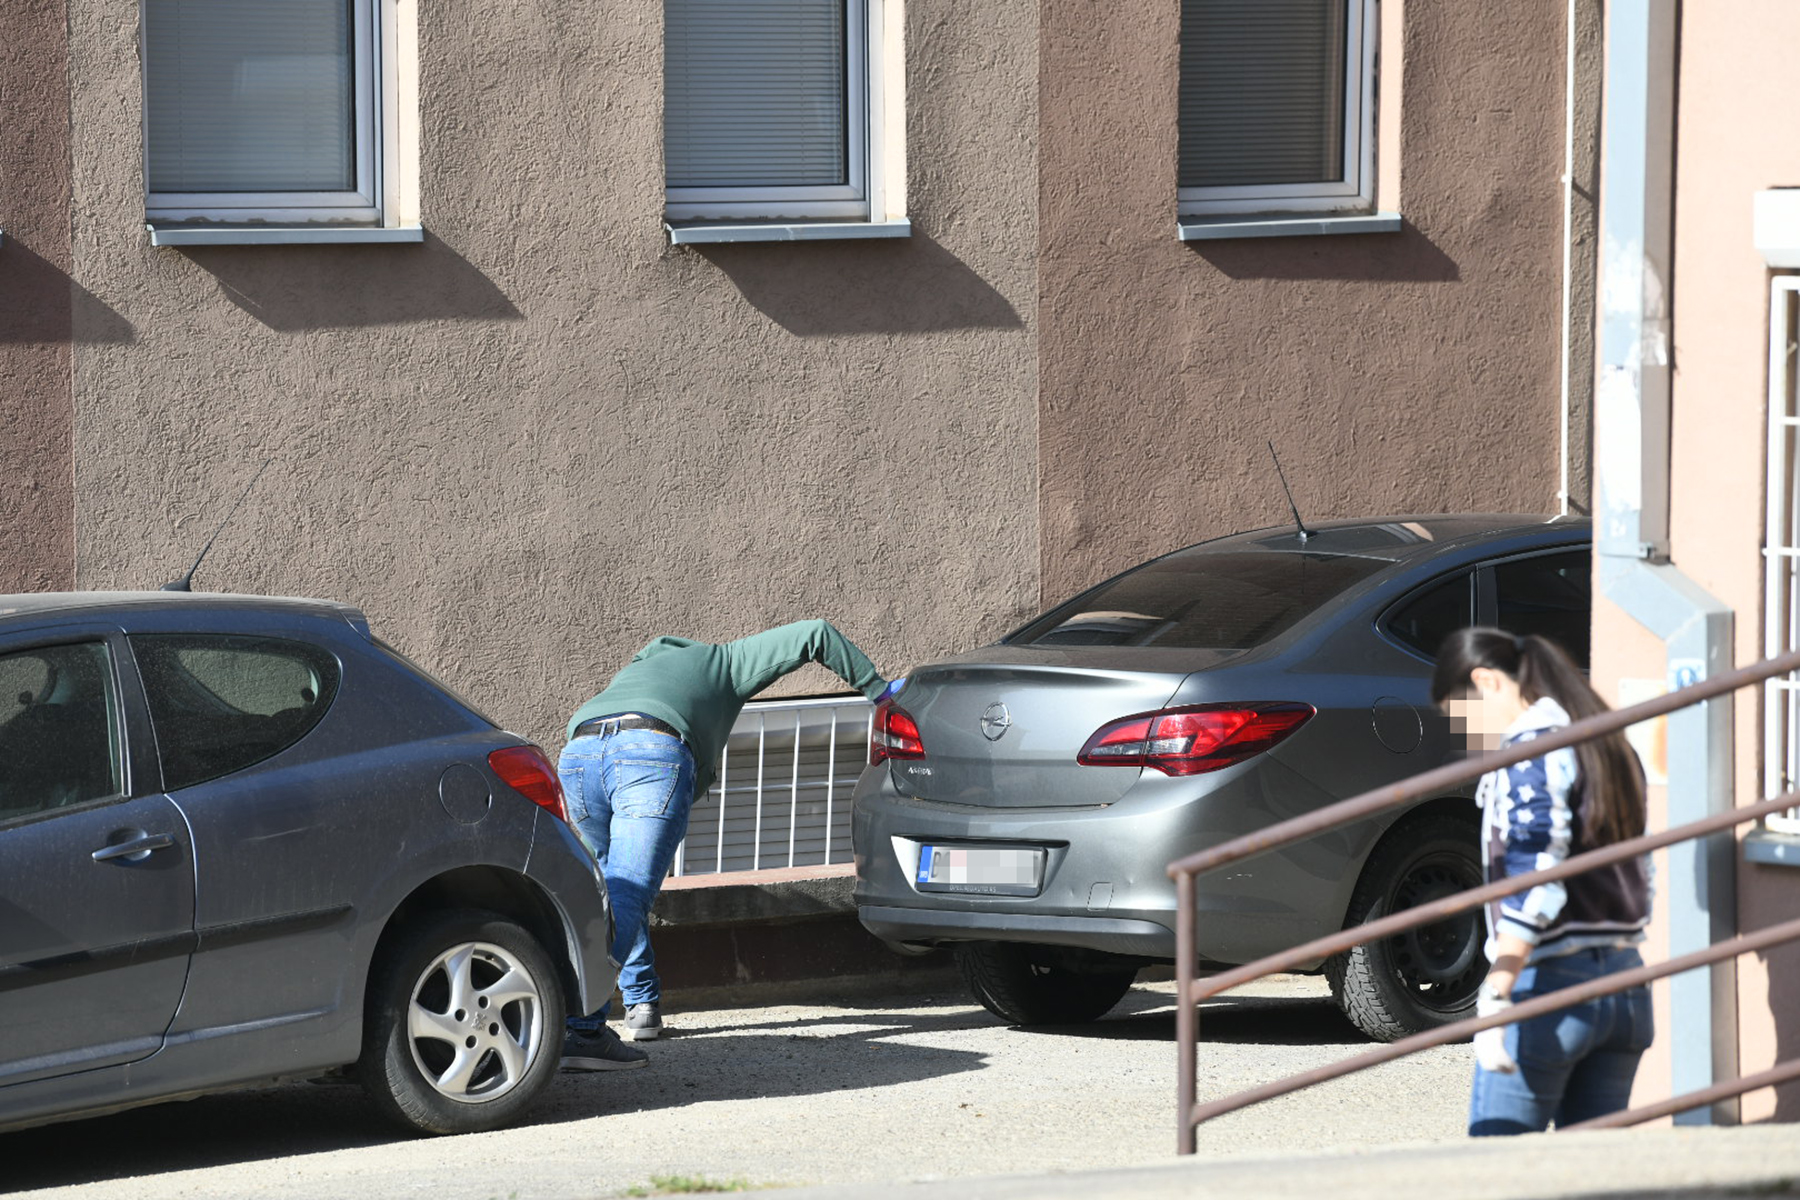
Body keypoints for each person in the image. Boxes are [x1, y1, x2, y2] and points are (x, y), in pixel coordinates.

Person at [557, 619, 889, 1070]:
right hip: (649, 753)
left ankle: (642, 1003)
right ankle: (583, 1031)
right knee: (629, 890)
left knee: (614, 890)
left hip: (578, 756)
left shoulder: (633, 673)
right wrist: (881, 692)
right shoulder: (723, 660)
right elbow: (815, 633)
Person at [1430, 627, 1654, 1136]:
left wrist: (1498, 993)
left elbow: (1535, 874)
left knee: (1500, 1174)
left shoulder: (1530, 752)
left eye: (1459, 717)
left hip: (1547, 983)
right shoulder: (1607, 742)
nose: (1465, 736)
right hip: (1625, 982)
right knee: (1592, 1183)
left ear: (1485, 681)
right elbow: (1643, 867)